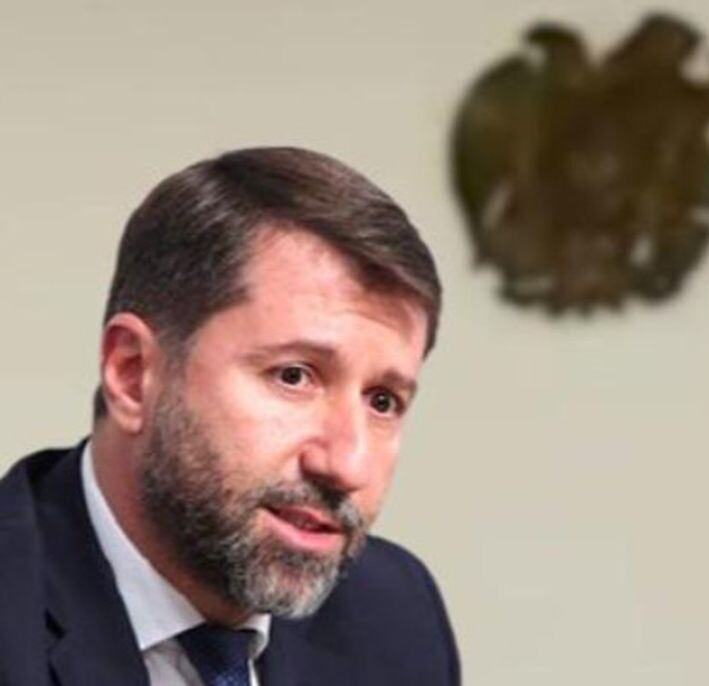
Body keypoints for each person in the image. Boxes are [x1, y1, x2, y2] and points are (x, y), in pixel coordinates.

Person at [0, 148, 459, 685]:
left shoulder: (394, 615)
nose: (346, 465)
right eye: (294, 376)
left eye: (382, 401)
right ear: (132, 374)